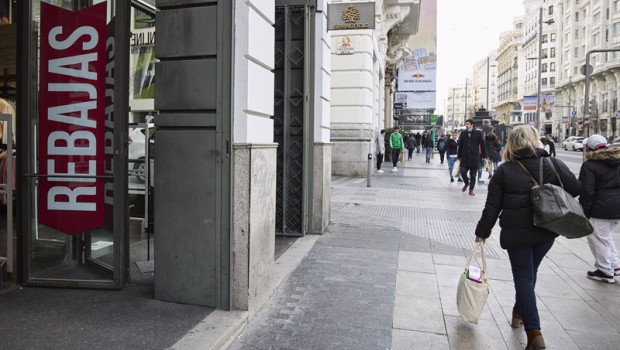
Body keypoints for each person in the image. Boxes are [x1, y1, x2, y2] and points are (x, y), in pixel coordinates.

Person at [475, 125, 581, 350]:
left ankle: (534, 332)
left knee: (524, 277)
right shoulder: (552, 163)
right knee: (529, 275)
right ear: (534, 141)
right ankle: (517, 313)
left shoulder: (505, 171)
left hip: (517, 232)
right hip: (547, 229)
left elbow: (492, 206)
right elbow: (575, 188)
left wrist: (482, 232)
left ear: (511, 143)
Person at [578, 135, 620, 284]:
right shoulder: (617, 161)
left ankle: (605, 271)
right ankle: (615, 266)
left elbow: (587, 191)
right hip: (616, 207)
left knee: (597, 238)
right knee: (605, 236)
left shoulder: (590, 165)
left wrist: (585, 211)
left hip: (600, 208)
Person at [457, 119, 487, 195]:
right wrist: (459, 156)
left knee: (473, 175)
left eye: (468, 124)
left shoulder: (478, 133)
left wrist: (485, 155)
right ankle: (467, 183)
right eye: (466, 124)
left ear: (472, 125)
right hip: (464, 157)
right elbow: (460, 145)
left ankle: (471, 190)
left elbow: (483, 145)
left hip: (474, 157)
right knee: (463, 172)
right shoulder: (463, 133)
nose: (466, 125)